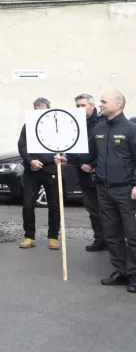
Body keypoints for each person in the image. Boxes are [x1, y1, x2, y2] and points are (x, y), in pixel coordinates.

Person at [58, 91, 136, 292]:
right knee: (111, 233)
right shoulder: (99, 128)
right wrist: (69, 159)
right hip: (103, 188)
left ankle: (134, 275)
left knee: (132, 233)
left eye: (103, 101)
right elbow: (89, 154)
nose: (100, 104)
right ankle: (121, 271)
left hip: (125, 190)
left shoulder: (130, 129)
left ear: (118, 104)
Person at [17, 97, 62, 250]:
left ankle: (53, 237)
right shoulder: (28, 126)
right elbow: (22, 145)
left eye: (42, 109)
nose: (39, 113)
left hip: (50, 170)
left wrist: (41, 161)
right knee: (28, 205)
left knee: (54, 205)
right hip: (31, 171)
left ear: (49, 109)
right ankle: (29, 236)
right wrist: (31, 161)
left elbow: (58, 147)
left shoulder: (56, 127)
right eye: (36, 110)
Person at [75, 94, 106, 252]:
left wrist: (92, 165)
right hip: (84, 174)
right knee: (92, 210)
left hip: (102, 174)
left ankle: (113, 241)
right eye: (77, 106)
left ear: (92, 106)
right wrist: (79, 162)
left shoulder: (102, 123)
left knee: (107, 210)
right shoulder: (75, 125)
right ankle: (100, 239)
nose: (80, 109)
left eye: (83, 105)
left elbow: (106, 150)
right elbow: (75, 149)